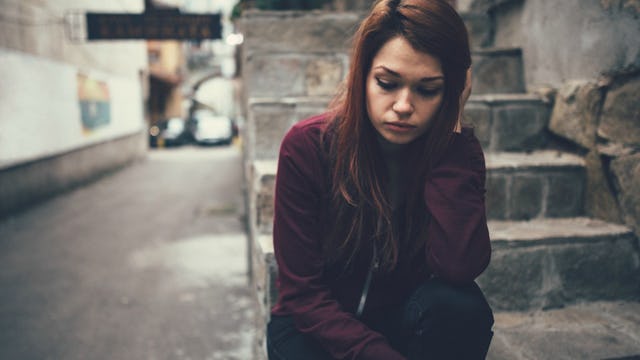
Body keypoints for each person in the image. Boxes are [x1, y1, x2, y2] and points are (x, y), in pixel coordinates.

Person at [267, 0, 494, 358]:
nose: (403, 105)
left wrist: (451, 136)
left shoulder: (455, 154)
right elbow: (302, 295)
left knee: (461, 308)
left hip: (396, 322)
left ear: (450, 91)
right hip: (313, 330)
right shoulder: (307, 147)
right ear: (362, 75)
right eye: (387, 83)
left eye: (428, 89)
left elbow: (459, 266)